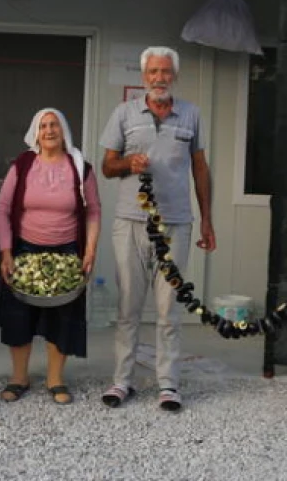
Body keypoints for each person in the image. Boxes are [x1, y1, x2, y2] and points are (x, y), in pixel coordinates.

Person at [98, 46, 216, 412]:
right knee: (128, 306)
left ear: (174, 76)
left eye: (166, 72)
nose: (159, 78)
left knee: (169, 309)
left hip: (176, 224)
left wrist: (207, 219)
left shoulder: (191, 114)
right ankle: (122, 381)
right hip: (131, 221)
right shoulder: (124, 113)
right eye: (153, 72)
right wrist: (128, 163)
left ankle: (168, 385)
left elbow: (199, 168)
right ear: (143, 76)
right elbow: (106, 166)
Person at [0, 108, 102, 405]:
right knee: (19, 318)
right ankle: (19, 377)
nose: (49, 130)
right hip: (24, 251)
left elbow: (93, 210)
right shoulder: (23, 164)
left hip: (66, 252)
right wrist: (6, 251)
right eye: (43, 126)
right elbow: (2, 209)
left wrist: (90, 249)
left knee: (63, 318)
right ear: (36, 132)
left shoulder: (80, 168)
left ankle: (56, 379)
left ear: (63, 130)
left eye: (54, 125)